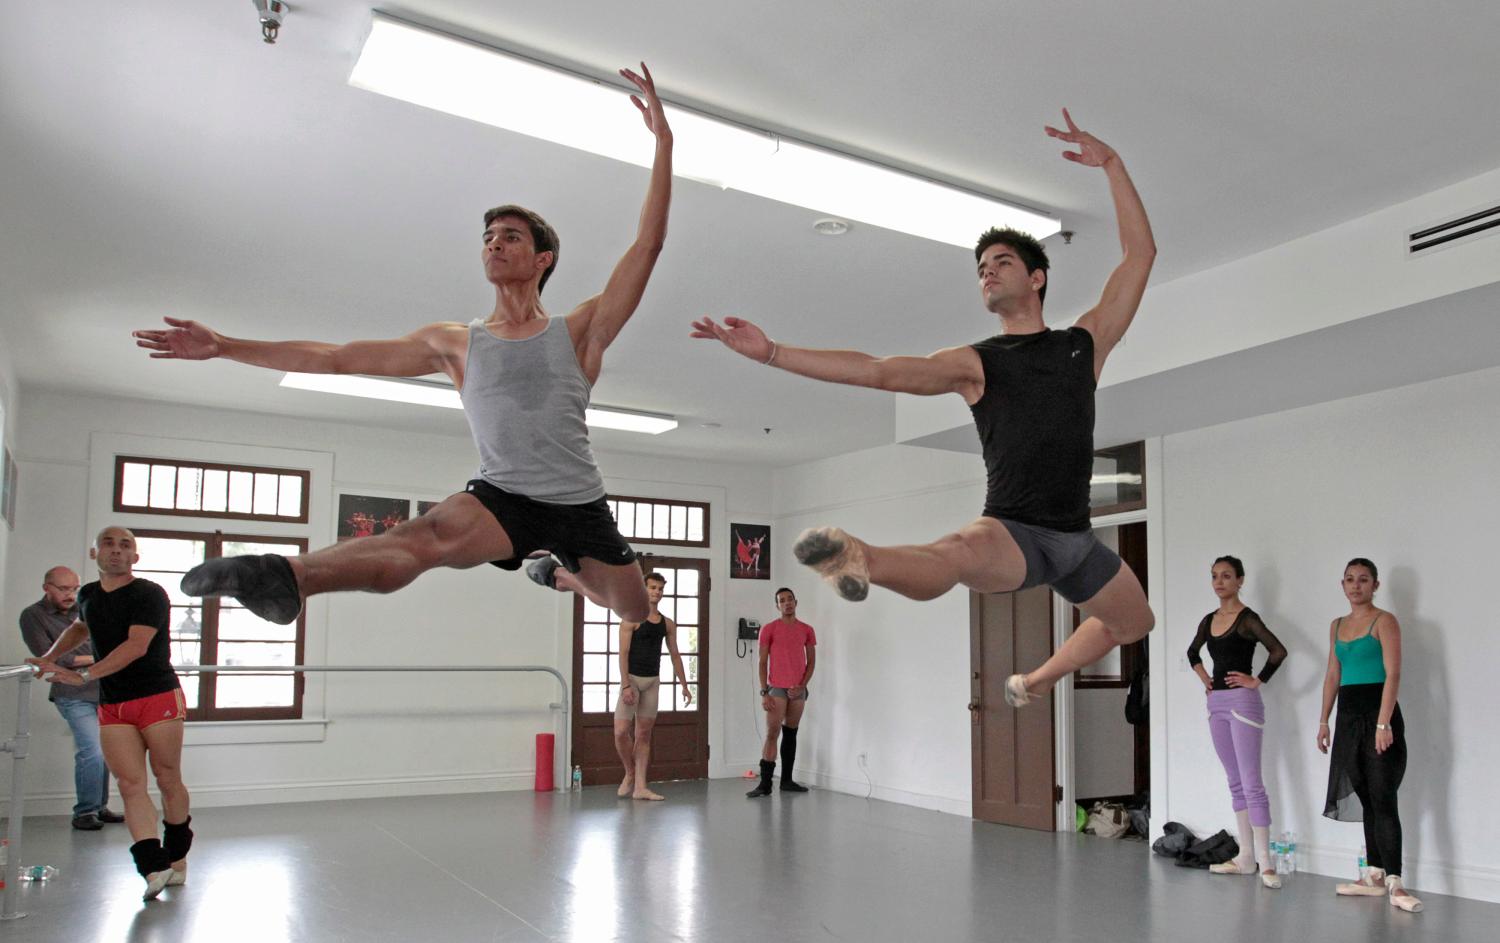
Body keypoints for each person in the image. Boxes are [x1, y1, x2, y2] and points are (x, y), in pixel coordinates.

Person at [132, 64, 673, 626]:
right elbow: (334, 358)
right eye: (488, 237)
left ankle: (553, 570)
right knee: (423, 538)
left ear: (543, 260)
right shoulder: (455, 344)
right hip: (502, 499)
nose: (495, 244)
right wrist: (224, 345)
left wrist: (664, 142)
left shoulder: (580, 330)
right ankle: (286, 575)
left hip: (580, 505)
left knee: (632, 610)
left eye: (511, 236)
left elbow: (649, 245)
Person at [692, 109, 1156, 707]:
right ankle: (859, 558)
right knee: (955, 555)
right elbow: (877, 369)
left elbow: (1139, 255)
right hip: (1013, 530)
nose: (987, 273)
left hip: (1077, 540)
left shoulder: (1082, 345)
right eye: (981, 269)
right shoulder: (976, 363)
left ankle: (1035, 680)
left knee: (1135, 622)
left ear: (1038, 278)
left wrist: (1112, 165)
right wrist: (774, 352)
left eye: (1001, 263)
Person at [25, 528, 192, 901]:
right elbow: (79, 627)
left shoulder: (149, 594)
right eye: (109, 544)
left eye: (125, 545)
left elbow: (135, 646)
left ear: (135, 557)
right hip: (113, 703)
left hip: (157, 695)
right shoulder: (87, 595)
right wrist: (49, 658)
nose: (116, 551)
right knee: (129, 784)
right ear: (94, 552)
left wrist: (82, 674)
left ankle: (178, 854)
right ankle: (153, 865)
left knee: (167, 779)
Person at [1318, 558, 1422, 912]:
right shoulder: (1336, 626)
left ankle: (1396, 881)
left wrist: (1383, 722)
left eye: (1363, 579)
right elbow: (1333, 675)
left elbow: (1393, 674)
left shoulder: (1384, 621)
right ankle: (1374, 875)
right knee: (1365, 795)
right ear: (1342, 584)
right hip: (1347, 719)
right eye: (1350, 579)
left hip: (1378, 716)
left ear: (1375, 585)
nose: (1356, 585)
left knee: (1383, 795)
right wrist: (1323, 721)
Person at [1186, 555, 1287, 889]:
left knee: (1251, 781)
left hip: (1244, 703)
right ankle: (1245, 857)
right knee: (1235, 781)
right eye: (1214, 576)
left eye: (1226, 576)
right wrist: (1206, 681)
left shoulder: (1247, 619)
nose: (1219, 582)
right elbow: (1192, 653)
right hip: (1216, 704)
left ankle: (1266, 862)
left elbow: (1278, 651)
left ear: (1240, 580)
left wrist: (1256, 680)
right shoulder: (1208, 619)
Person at [18, 566, 125, 830]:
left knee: (106, 751)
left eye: (74, 589)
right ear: (47, 588)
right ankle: (85, 812)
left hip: (103, 690)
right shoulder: (33, 616)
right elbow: (54, 659)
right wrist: (98, 658)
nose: (70, 594)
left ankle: (99, 807)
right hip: (71, 694)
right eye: (63, 589)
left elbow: (115, 646)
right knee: (92, 749)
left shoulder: (86, 610)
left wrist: (93, 660)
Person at [614, 571, 692, 800]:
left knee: (643, 734)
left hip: (652, 683)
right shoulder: (631, 618)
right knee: (620, 732)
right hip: (632, 680)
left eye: (660, 588)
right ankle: (629, 772)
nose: (656, 592)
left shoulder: (667, 624)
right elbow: (623, 653)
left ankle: (640, 787)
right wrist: (626, 685)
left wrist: (685, 685)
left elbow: (675, 655)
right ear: (643, 589)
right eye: (652, 587)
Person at [747, 587, 816, 797]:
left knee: (791, 733)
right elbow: (762, 662)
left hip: (798, 689)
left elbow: (811, 661)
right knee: (772, 733)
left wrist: (802, 685)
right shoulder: (769, 629)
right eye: (782, 600)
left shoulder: (806, 629)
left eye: (790, 599)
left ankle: (787, 780)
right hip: (776, 687)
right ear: (777, 605)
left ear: (796, 602)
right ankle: (765, 784)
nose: (787, 603)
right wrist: (764, 692)